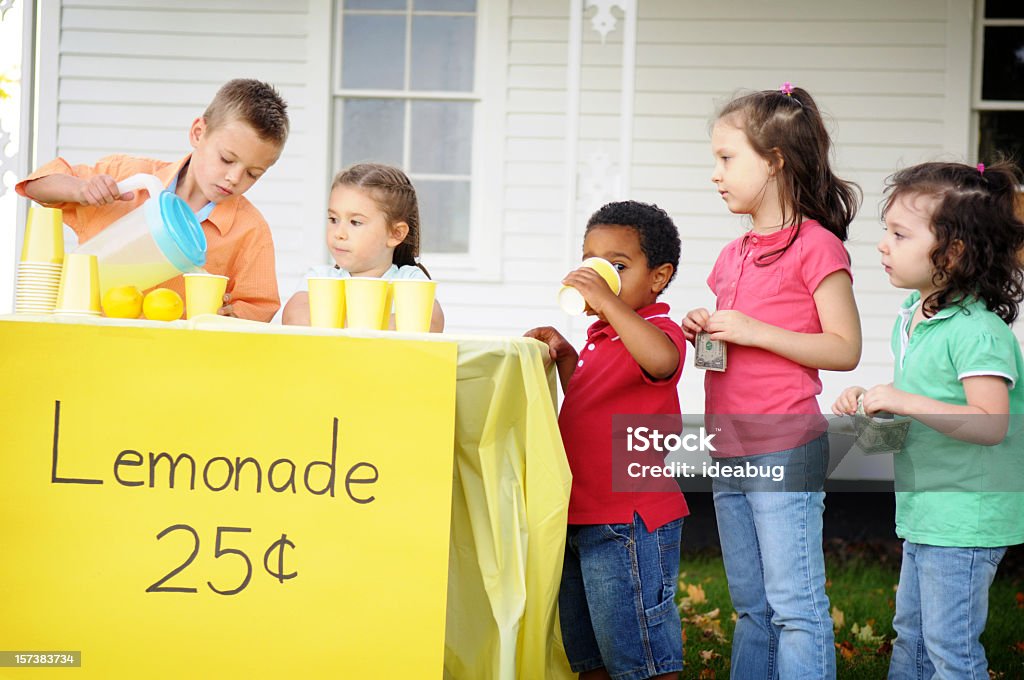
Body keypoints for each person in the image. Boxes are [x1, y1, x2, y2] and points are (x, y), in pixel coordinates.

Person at [680, 84, 862, 679]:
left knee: (794, 608)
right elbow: (734, 345)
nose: (716, 174)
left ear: (776, 160)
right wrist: (704, 330)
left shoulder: (817, 247)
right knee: (751, 609)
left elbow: (845, 348)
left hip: (785, 445)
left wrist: (755, 330)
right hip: (729, 445)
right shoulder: (731, 255)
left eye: (727, 159)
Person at [832, 160, 1024, 679]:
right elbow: (928, 411)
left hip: (967, 517)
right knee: (913, 638)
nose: (883, 245)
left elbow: (989, 424)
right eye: (886, 232)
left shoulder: (978, 332)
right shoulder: (914, 317)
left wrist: (904, 399)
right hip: (926, 510)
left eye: (899, 234)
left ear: (953, 251)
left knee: (950, 651)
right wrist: (877, 403)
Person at [525, 200, 687, 680]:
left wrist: (611, 304)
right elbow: (591, 401)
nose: (600, 275)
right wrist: (568, 353)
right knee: (588, 652)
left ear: (658, 277)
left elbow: (660, 362)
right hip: (581, 515)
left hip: (628, 518)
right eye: (591, 262)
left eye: (617, 266)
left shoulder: (658, 330)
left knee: (638, 654)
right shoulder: (603, 338)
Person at [17, 78, 288, 322]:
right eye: (226, 159)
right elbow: (36, 186)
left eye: (253, 174)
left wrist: (233, 317)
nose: (234, 178)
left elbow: (258, 307)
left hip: (175, 364)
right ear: (198, 133)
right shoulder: (126, 177)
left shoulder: (251, 230)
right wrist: (81, 189)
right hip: (92, 346)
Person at [282, 163, 444, 331]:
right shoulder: (320, 279)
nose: (339, 233)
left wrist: (338, 324)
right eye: (333, 219)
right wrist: (382, 326)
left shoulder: (409, 281)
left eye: (355, 222)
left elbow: (431, 323)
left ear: (395, 233)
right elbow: (293, 318)